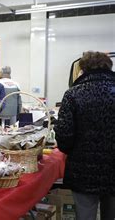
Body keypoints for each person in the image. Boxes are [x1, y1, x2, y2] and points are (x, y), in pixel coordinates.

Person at [54, 51, 115, 220]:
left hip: (83, 171)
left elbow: (64, 138)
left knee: (85, 215)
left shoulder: (73, 94)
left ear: (82, 69)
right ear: (109, 67)